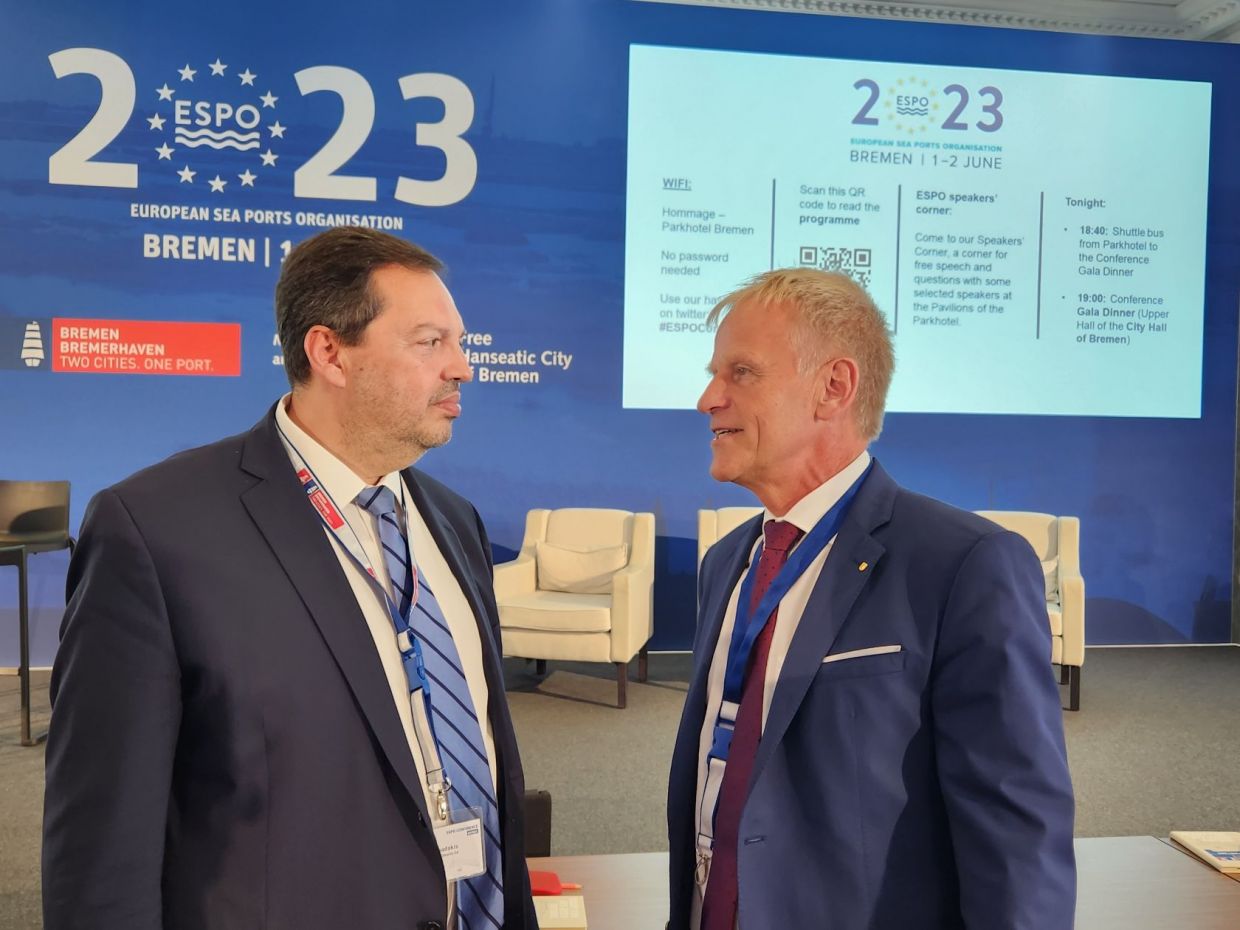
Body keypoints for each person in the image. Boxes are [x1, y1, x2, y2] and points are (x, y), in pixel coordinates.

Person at [43, 227, 537, 930]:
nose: (462, 368)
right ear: (329, 352)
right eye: (430, 343)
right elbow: (102, 845)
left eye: (460, 343)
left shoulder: (455, 523)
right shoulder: (155, 529)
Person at [666, 267, 1075, 929]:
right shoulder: (727, 564)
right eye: (715, 374)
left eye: (741, 373)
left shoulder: (963, 564)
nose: (708, 398)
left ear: (834, 387)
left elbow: (1016, 831)